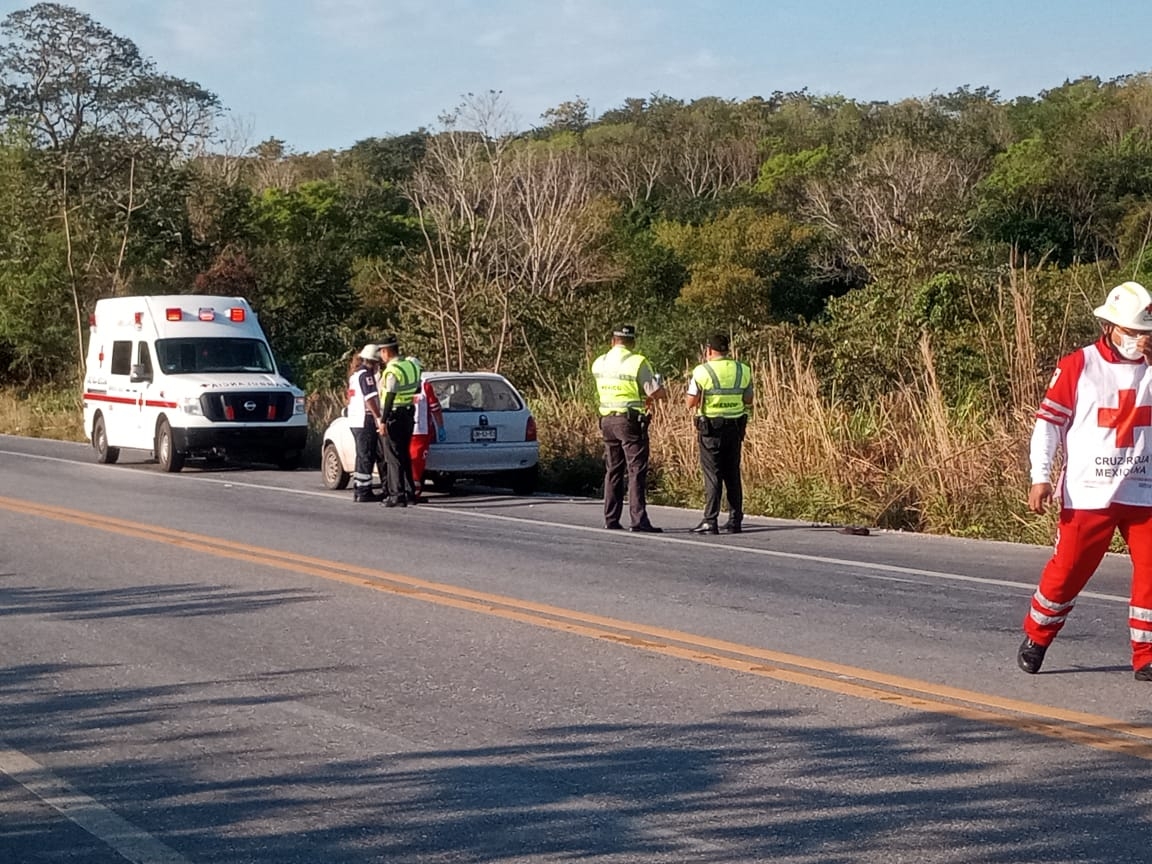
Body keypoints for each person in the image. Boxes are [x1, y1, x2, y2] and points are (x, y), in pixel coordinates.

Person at [1019, 280, 1152, 680]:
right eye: (1132, 332)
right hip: (1089, 489)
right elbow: (1048, 423)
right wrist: (1039, 476)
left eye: (1145, 333)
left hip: (1143, 489)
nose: (1139, 340)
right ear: (1110, 326)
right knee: (1069, 570)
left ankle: (1146, 655)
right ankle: (1038, 635)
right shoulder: (1080, 364)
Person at [591, 324, 667, 532]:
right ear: (632, 342)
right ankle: (638, 520)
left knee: (613, 470)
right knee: (636, 470)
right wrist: (661, 390)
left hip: (606, 420)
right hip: (629, 421)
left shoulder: (599, 362)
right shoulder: (637, 362)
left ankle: (611, 518)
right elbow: (653, 392)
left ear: (612, 341)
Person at [685, 332, 754, 534]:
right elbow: (748, 399)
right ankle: (735, 520)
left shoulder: (701, 371)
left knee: (713, 475)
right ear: (727, 350)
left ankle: (710, 520)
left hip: (711, 430)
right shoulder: (743, 370)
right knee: (732, 474)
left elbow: (690, 402)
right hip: (735, 428)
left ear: (708, 351)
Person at [377, 335, 421, 508]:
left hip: (394, 414)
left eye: (381, 351)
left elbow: (389, 396)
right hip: (408, 413)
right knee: (404, 453)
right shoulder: (411, 365)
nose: (381, 356)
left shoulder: (392, 370)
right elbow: (416, 388)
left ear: (386, 351)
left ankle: (396, 494)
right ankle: (409, 493)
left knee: (393, 456)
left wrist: (383, 420)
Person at [346, 344, 385, 503]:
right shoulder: (366, 376)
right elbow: (369, 399)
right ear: (374, 361)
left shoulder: (354, 375)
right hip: (365, 419)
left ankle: (359, 487)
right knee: (366, 456)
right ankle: (364, 491)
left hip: (355, 420)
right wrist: (378, 417)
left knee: (362, 455)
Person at [408, 357, 445, 501]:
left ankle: (408, 490)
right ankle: (413, 491)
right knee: (416, 462)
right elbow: (435, 408)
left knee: (410, 461)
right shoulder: (424, 385)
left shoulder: (401, 384)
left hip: (408, 429)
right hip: (419, 430)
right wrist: (441, 426)